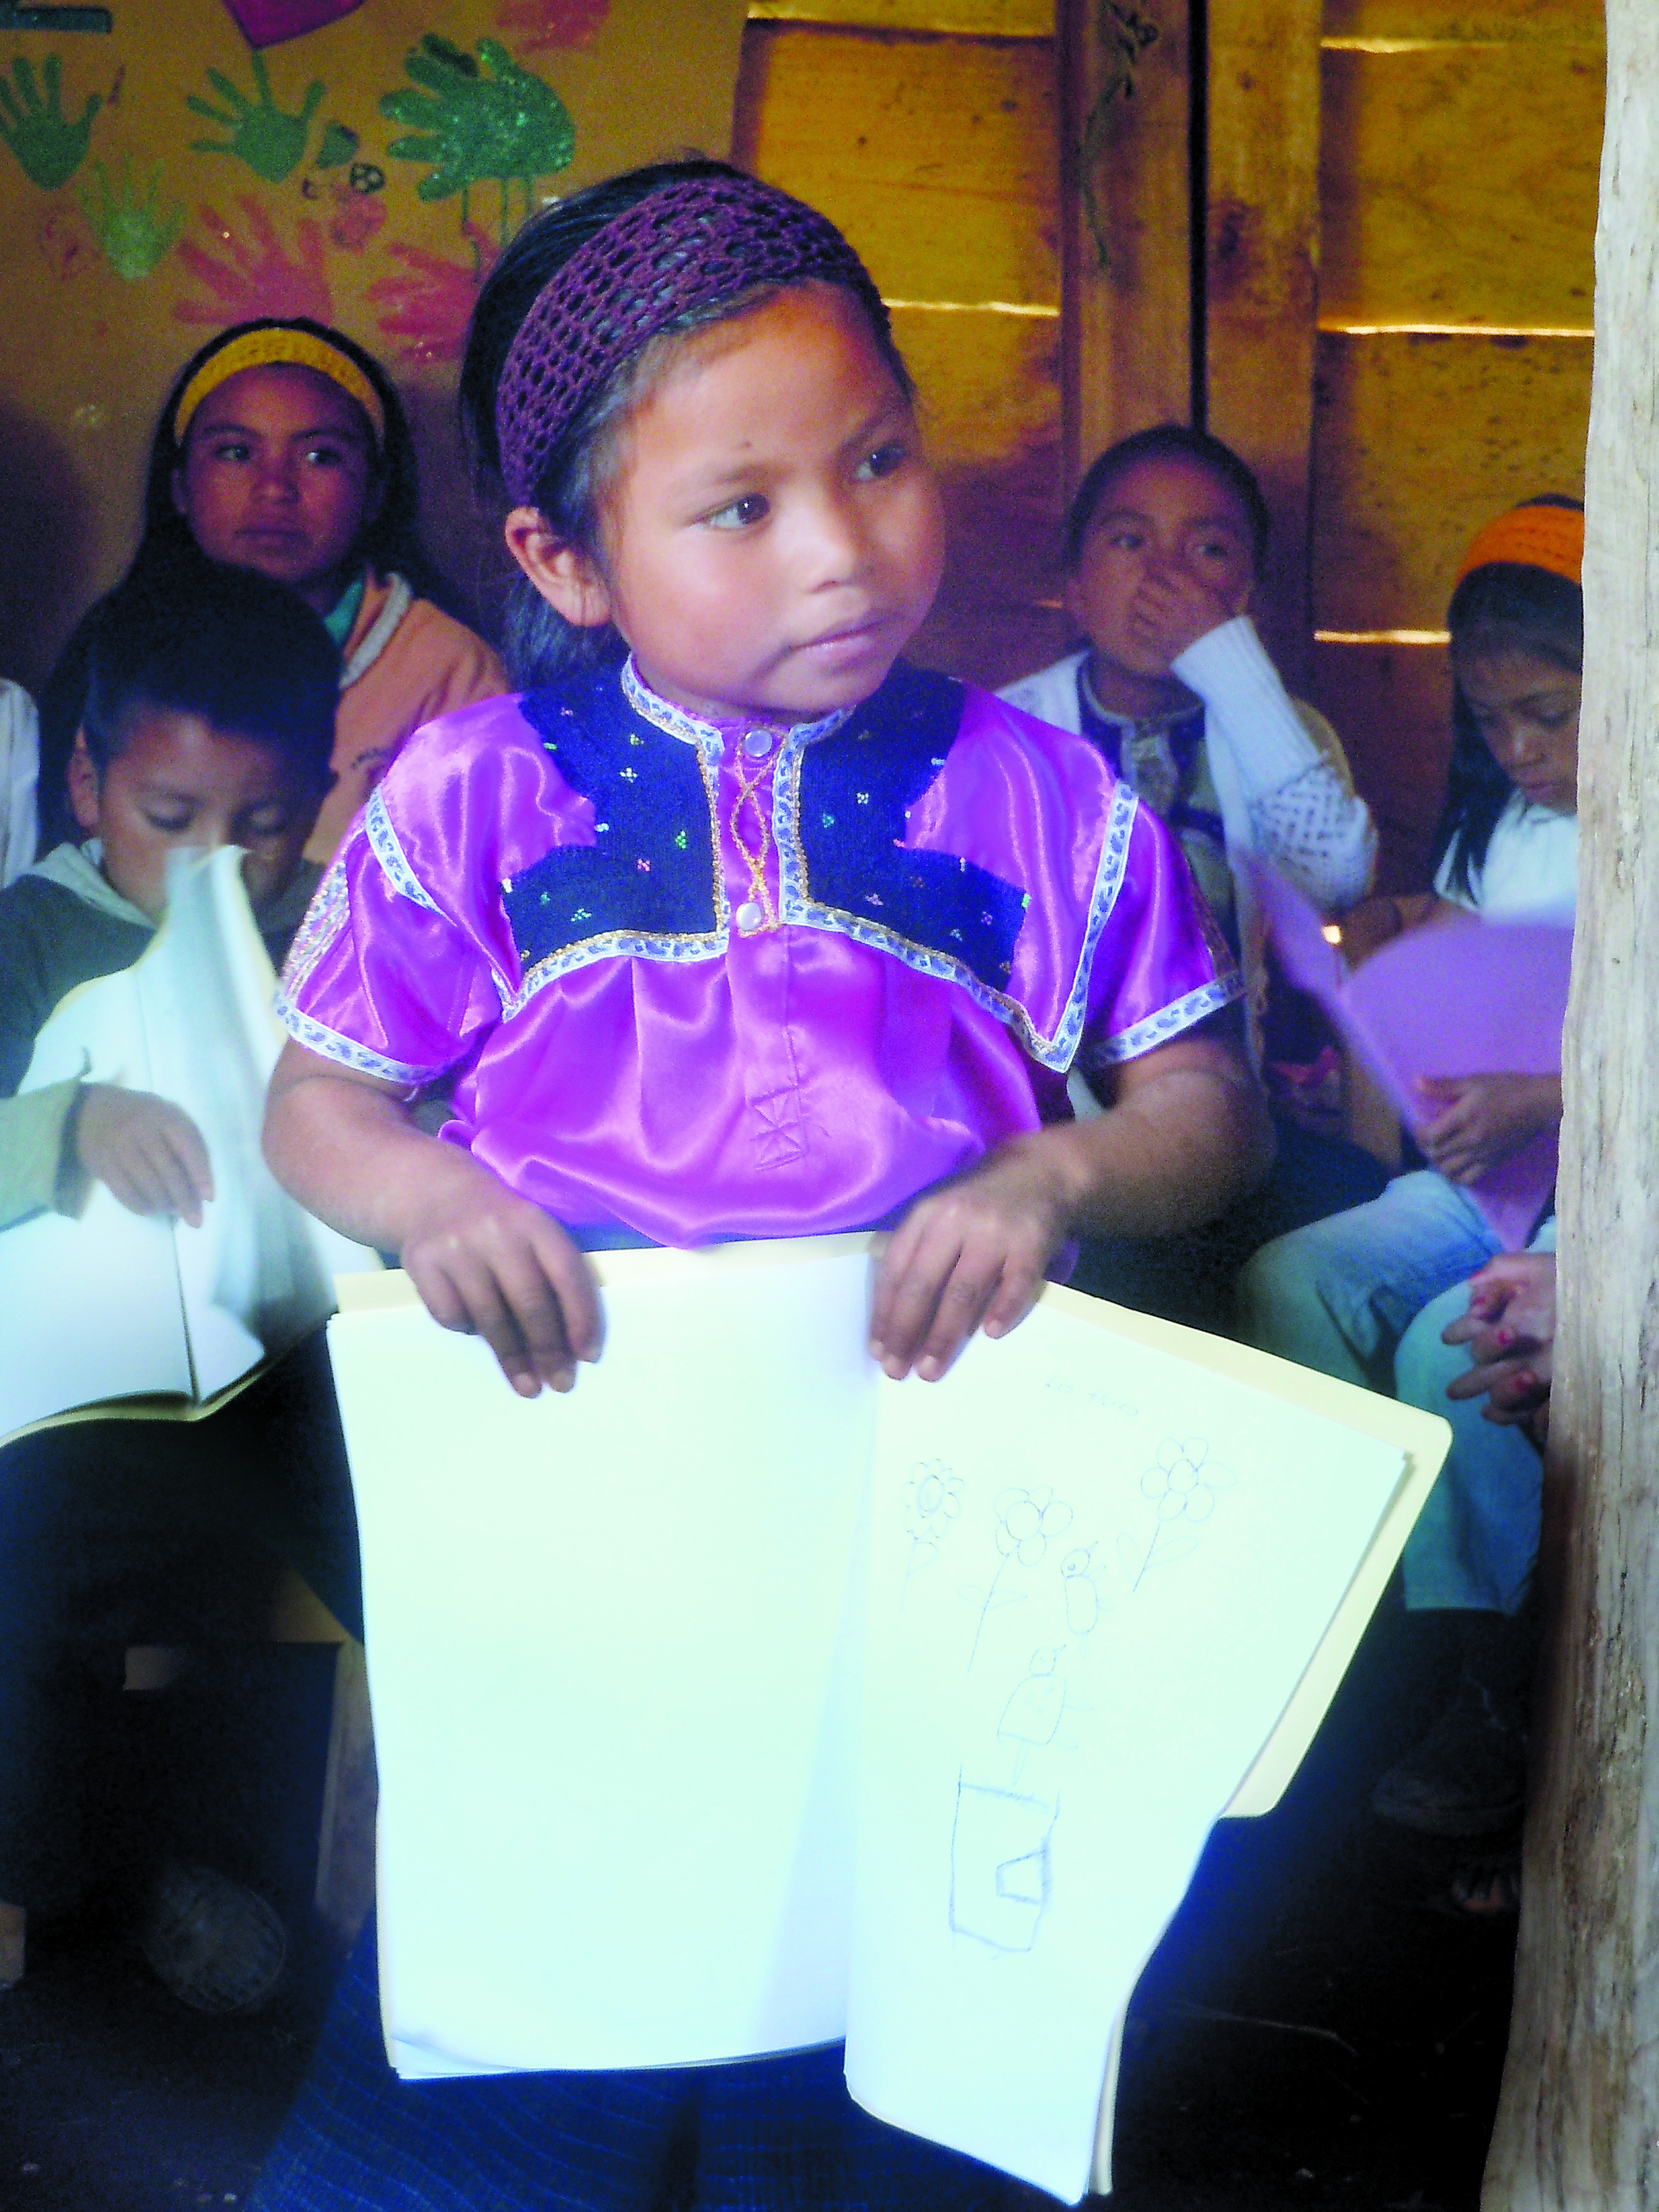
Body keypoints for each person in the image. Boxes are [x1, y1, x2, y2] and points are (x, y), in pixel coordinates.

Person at [251, 160, 1271, 2211]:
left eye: (878, 458)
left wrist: (1059, 1170)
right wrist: (436, 1206)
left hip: (929, 1513)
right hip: (581, 1523)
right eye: (743, 507)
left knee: (874, 2001)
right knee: (548, 2006)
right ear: (564, 557)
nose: (845, 551)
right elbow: (320, 1111)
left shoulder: (1029, 789)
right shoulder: (478, 797)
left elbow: (1209, 1111)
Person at [0, 558, 362, 1976]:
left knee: (433, 1527)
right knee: (26, 1578)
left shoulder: (339, 934)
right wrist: (66, 1126)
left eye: (263, 826)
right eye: (173, 819)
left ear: (322, 801)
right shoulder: (32, 936)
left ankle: (422, 1861)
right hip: (83, 1397)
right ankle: (69, 1882)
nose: (221, 861)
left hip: (299, 1370)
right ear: (87, 783)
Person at [1237, 498, 1583, 1844]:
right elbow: (1464, 1009)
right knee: (1294, 1281)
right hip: (1482, 1185)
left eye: (1551, 713)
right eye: (1492, 720)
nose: (1520, 749)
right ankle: (1359, 1623)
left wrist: (1547, 1097)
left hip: (1599, 1209)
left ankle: (1490, 1689)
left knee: (1458, 1344)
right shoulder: (1492, 830)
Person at [998, 424, 1385, 1327]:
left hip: (1238, 1134)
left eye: (1206, 549)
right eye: (1129, 542)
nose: (1164, 575)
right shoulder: (1015, 738)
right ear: (1075, 587)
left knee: (1357, 1224)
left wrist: (1227, 666)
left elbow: (1333, 873)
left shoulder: (1276, 732)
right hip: (1067, 1150)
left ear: (1242, 593)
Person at [36, 317, 507, 866]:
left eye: (320, 456)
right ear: (181, 486)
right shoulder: (117, 646)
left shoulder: (447, 670)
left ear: (377, 492)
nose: (275, 488)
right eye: (235, 452)